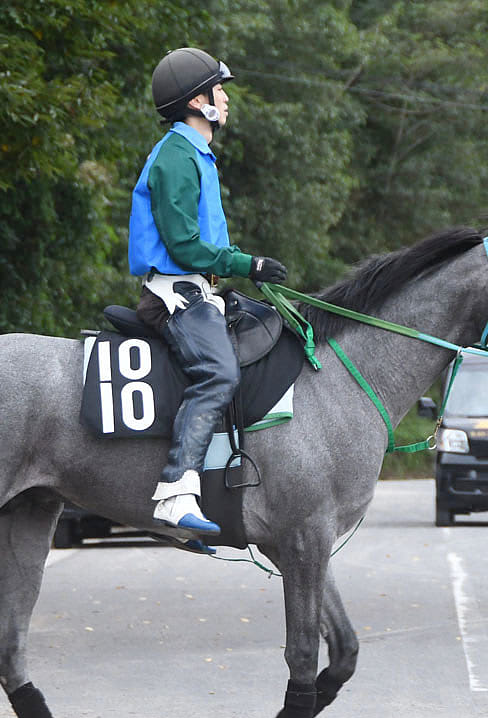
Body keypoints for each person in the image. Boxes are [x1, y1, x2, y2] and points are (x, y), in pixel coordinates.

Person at [128, 47, 288, 535]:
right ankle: (176, 492)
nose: (225, 97)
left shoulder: (195, 154)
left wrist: (242, 264)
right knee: (218, 373)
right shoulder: (176, 157)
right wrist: (247, 262)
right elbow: (184, 245)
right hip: (175, 296)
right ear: (197, 102)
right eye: (219, 89)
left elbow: (207, 242)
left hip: (198, 288)